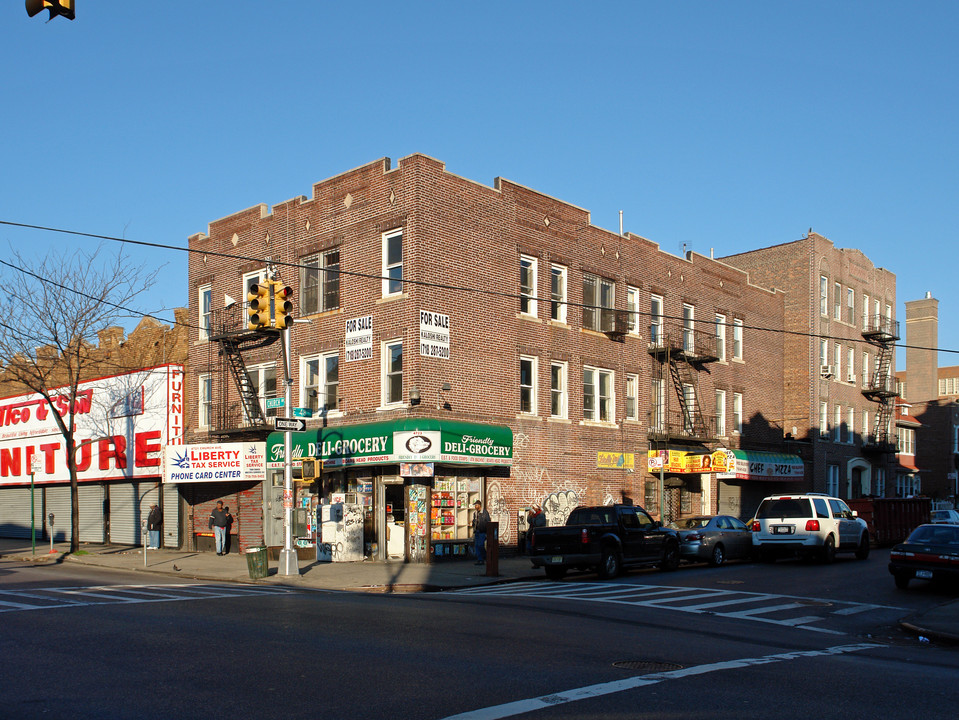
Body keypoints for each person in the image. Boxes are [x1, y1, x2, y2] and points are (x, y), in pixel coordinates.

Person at [472, 500, 490, 565]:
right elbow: (474, 521)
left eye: (476, 505)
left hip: (482, 531)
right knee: (477, 546)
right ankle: (480, 559)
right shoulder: (475, 513)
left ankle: (485, 557)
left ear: (479, 505)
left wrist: (487, 532)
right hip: (477, 531)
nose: (475, 506)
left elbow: (488, 521)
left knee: (480, 545)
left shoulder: (485, 513)